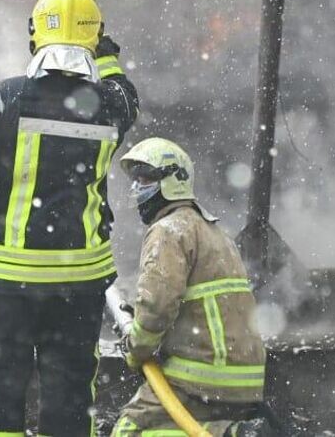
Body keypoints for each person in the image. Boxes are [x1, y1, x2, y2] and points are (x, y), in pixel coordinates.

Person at [0, 0, 139, 437]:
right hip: (78, 285)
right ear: (94, 41)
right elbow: (125, 92)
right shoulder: (110, 107)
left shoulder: (5, 99)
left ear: (34, 37)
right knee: (69, 403)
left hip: (7, 286)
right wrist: (107, 57)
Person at [112, 137, 267, 437]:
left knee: (130, 430)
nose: (137, 189)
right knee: (178, 427)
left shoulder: (168, 230)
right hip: (243, 380)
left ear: (174, 181)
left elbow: (157, 307)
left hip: (201, 377)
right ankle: (231, 431)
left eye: (145, 179)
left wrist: (136, 348)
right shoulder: (216, 232)